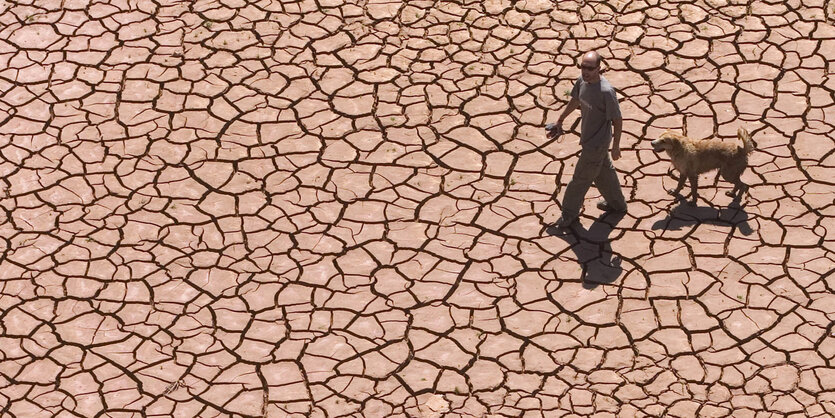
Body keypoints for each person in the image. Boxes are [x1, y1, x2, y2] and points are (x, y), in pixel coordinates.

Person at [546, 51, 627, 228]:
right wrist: (560, 119)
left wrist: (616, 146)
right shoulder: (582, 81)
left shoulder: (606, 92)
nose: (585, 71)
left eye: (590, 68)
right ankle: (618, 205)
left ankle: (568, 214)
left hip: (597, 144)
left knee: (580, 179)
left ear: (599, 68)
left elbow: (617, 120)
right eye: (583, 67)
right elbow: (576, 100)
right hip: (589, 140)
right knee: (604, 173)